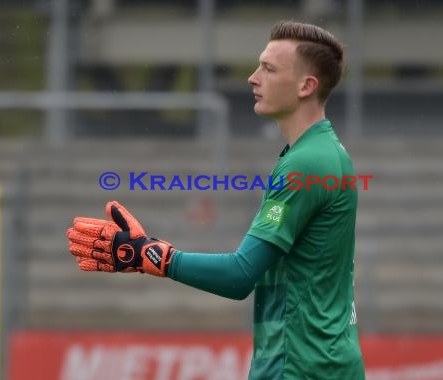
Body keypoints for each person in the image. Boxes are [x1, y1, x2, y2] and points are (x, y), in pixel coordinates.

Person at [67, 20, 366, 379]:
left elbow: (240, 275)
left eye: (269, 69)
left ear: (307, 85)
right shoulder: (319, 151)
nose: (253, 78)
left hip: (302, 368)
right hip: (321, 363)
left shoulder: (308, 162)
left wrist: (153, 256)